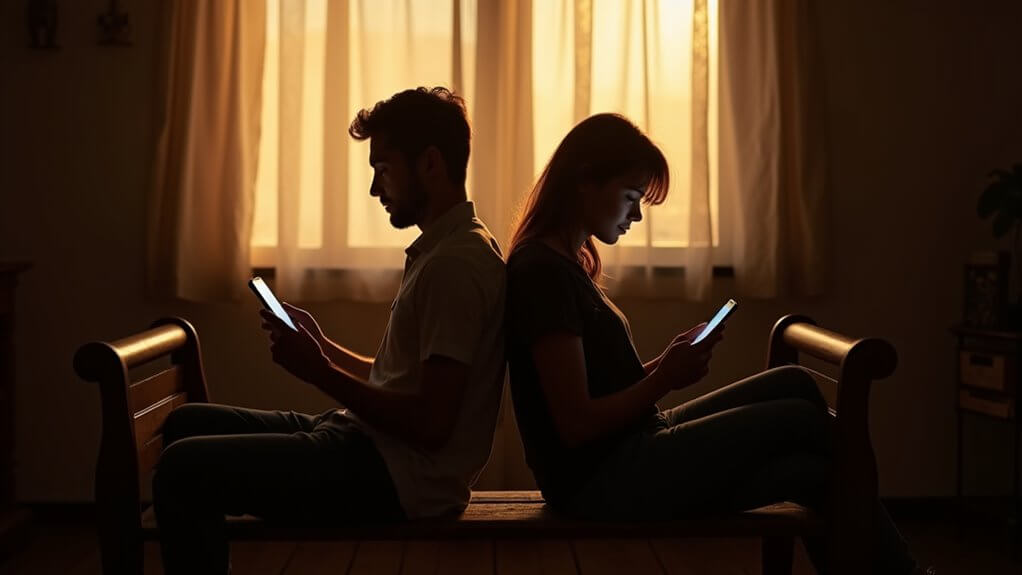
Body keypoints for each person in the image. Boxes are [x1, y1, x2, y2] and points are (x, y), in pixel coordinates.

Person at [504, 113, 924, 574]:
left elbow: (593, 388)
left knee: (796, 386)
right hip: (600, 480)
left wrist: (663, 363)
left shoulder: (563, 262)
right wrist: (665, 378)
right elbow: (575, 424)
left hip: (629, 448)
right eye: (630, 197)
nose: (637, 215)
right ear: (585, 181)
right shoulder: (541, 273)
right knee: (805, 422)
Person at [153, 87, 506, 574]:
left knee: (182, 469)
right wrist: (325, 350)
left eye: (382, 168)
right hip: (370, 448)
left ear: (429, 163)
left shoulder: (456, 266)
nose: (374, 188)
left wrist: (319, 373)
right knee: (184, 425)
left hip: (393, 476)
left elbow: (431, 423)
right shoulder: (448, 251)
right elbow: (400, 379)